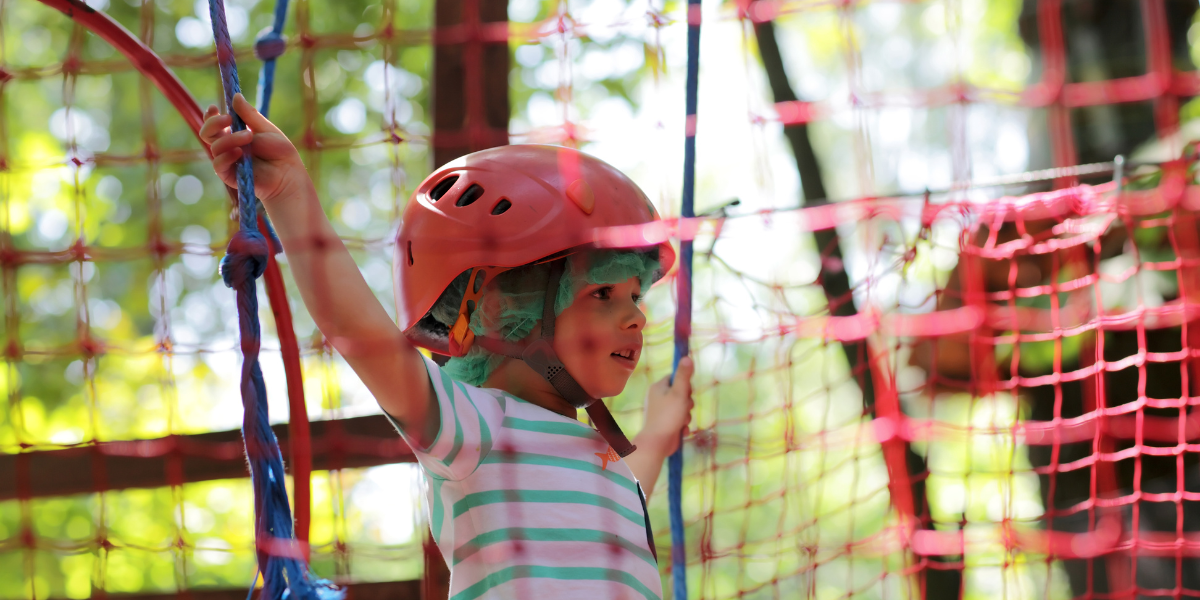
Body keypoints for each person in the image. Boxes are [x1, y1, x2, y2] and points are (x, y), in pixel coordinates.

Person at [200, 93, 694, 600]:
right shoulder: (477, 426)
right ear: (503, 308)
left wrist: (657, 430)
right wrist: (287, 192)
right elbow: (364, 336)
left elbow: (620, 498)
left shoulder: (605, 459)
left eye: (636, 296)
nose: (636, 316)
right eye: (602, 293)